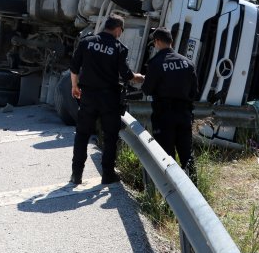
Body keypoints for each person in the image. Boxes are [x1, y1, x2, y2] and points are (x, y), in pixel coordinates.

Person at [69, 14, 144, 185]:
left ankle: (76, 175)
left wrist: (75, 87)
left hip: (87, 96)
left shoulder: (86, 42)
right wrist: (140, 77)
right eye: (121, 31)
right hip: (109, 99)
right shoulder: (118, 47)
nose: (120, 34)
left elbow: (74, 67)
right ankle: (107, 175)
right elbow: (126, 75)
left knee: (82, 135)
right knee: (110, 137)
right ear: (117, 28)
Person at [141, 27, 199, 177]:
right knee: (187, 154)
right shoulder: (188, 63)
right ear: (171, 41)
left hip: (164, 116)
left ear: (157, 41)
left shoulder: (156, 63)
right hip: (184, 115)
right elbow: (194, 92)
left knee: (166, 156)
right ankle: (193, 190)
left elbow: (147, 90)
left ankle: (170, 193)